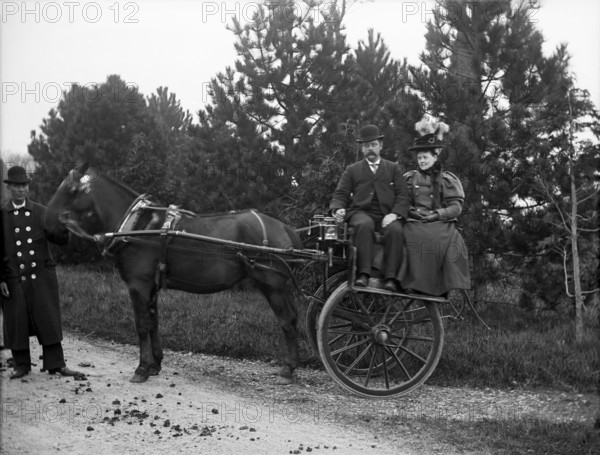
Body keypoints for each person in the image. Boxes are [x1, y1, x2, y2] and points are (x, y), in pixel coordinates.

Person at [1, 166, 84, 380]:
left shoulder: (41, 211)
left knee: (47, 318)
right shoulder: (2, 215)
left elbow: (58, 238)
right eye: (17, 186)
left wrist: (65, 226)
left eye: (24, 185)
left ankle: (56, 364)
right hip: (13, 277)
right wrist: (1, 278)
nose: (21, 190)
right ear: (9, 188)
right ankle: (21, 364)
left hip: (41, 276)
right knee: (17, 320)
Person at [330, 124, 410, 292]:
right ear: (362, 148)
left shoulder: (393, 168)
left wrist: (395, 214)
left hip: (386, 215)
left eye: (373, 144)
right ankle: (363, 274)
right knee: (364, 225)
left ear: (380, 145)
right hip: (361, 212)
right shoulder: (352, 170)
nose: (370, 149)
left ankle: (391, 278)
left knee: (395, 230)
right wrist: (338, 209)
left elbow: (403, 195)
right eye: (366, 146)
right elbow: (341, 194)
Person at [400, 116, 471, 296]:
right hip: (414, 219)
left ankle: (434, 288)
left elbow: (456, 207)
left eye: (425, 157)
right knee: (405, 233)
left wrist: (437, 214)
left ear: (434, 157)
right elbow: (402, 201)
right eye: (419, 158)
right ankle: (409, 283)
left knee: (434, 239)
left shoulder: (446, 179)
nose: (422, 161)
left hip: (438, 222)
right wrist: (411, 211)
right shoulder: (410, 178)